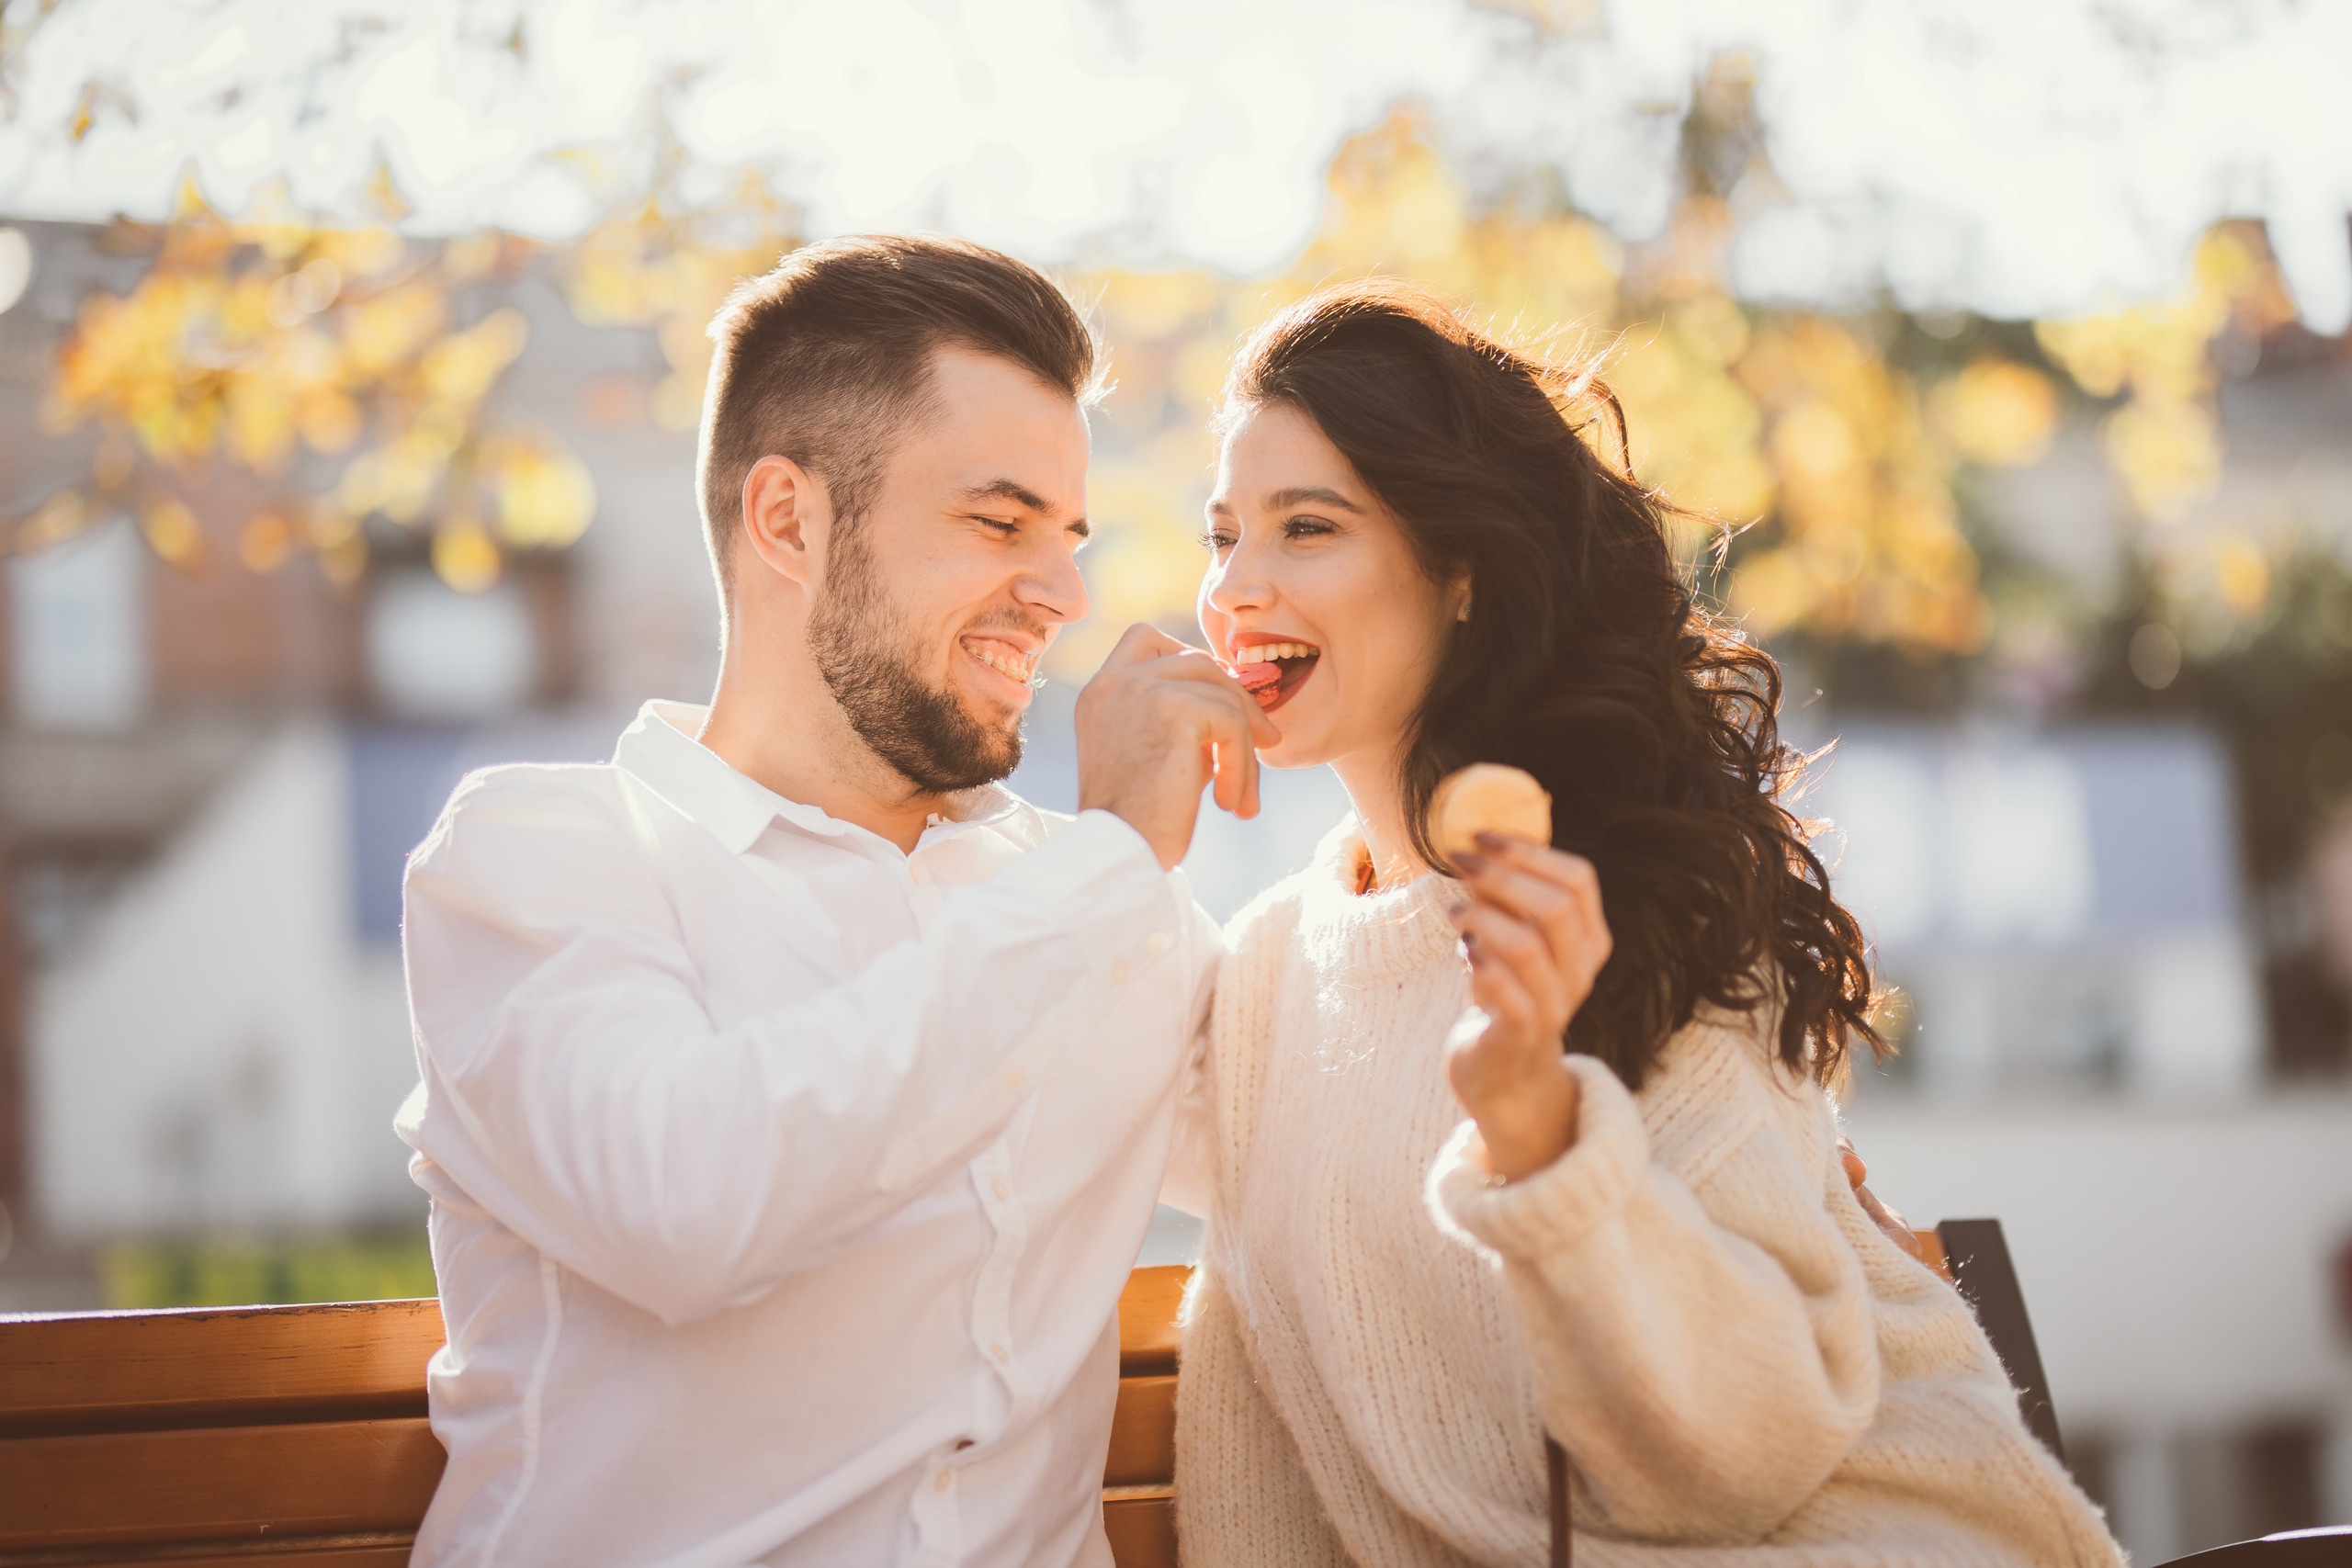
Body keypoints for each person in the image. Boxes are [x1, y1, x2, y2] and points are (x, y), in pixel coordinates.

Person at [1163, 281, 2124, 1566]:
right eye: (1223, 536)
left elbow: (1743, 1456)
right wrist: (1124, 835)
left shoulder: (1625, 900)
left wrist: (1539, 1131)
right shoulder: (1269, 970)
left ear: (1460, 573)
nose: (1237, 588)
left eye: (1307, 528)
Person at [392, 234, 1275, 1567]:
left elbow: (1328, 1145)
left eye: (1067, 535)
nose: (1064, 595)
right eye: (999, 522)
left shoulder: (1089, 902)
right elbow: (689, 1208)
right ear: (789, 520)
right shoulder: (538, 856)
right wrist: (1107, 866)